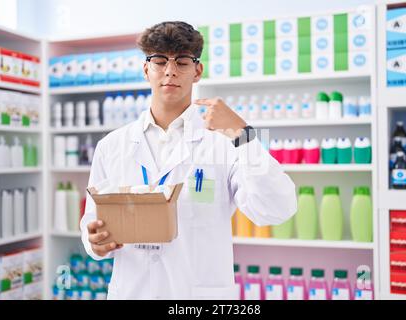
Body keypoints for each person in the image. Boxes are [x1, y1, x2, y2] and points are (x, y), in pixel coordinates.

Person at [80, 21, 297, 299]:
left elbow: (276, 208)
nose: (170, 70)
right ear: (146, 69)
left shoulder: (224, 142)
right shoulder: (112, 145)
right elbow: (92, 220)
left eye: (182, 61)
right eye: (159, 60)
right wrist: (94, 241)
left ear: (197, 71)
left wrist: (243, 135)